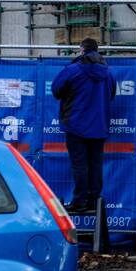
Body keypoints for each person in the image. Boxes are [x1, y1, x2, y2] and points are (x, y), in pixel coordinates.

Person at [51, 37, 118, 215]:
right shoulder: (108, 72)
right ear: (97, 51)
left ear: (82, 50)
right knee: (95, 164)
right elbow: (111, 95)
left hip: (76, 125)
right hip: (99, 126)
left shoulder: (73, 70)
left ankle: (79, 201)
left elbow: (56, 90)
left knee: (80, 164)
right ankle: (94, 200)